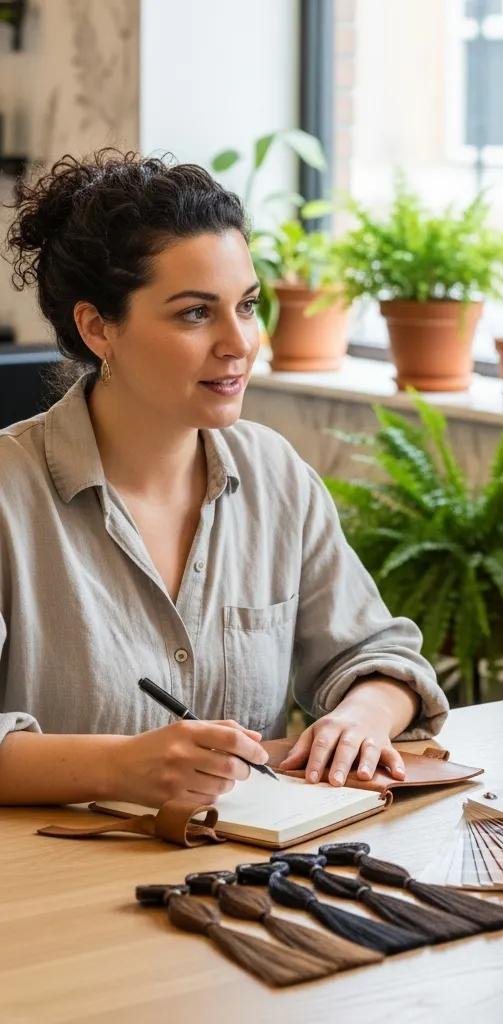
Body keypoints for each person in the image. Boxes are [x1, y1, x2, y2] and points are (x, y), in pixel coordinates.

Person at [0, 151, 447, 808]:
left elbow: (380, 656)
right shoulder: (12, 493)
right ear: (98, 328)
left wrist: (363, 717)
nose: (238, 342)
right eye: (194, 313)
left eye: (247, 305)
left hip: (242, 883)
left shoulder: (275, 476)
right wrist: (120, 767)